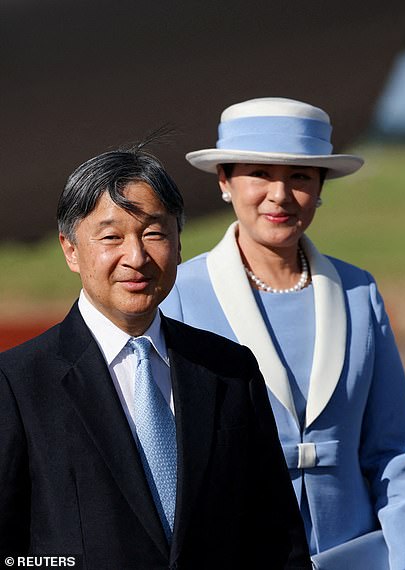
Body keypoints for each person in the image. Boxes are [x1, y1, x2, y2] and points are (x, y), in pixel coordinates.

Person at [0, 144, 311, 569]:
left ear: (179, 244)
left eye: (153, 233)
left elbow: (276, 537)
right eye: (111, 237)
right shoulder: (17, 383)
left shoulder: (229, 371)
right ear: (71, 249)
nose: (136, 257)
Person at [161, 97, 405, 569]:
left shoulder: (357, 290)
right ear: (224, 181)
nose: (280, 195)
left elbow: (393, 449)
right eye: (260, 174)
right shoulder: (180, 293)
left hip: (356, 557)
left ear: (322, 187)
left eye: (300, 177)